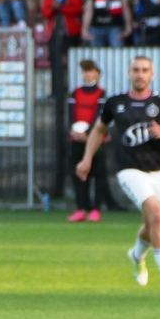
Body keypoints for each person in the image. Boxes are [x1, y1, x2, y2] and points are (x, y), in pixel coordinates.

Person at [77, 56, 160, 294]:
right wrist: (87, 159)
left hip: (158, 172)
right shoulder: (115, 102)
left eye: (145, 70)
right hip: (128, 170)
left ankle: (137, 255)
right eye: (136, 70)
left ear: (152, 74)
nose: (140, 74)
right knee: (157, 215)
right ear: (129, 73)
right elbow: (98, 130)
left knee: (152, 223)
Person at [66, 59, 107, 223]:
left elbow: (100, 115)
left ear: (97, 74)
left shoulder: (101, 94)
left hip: (95, 140)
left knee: (98, 174)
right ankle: (81, 208)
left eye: (90, 71)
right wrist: (73, 130)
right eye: (84, 71)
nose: (87, 74)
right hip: (77, 139)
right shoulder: (75, 93)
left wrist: (90, 134)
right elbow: (70, 114)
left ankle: (96, 209)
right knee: (78, 174)